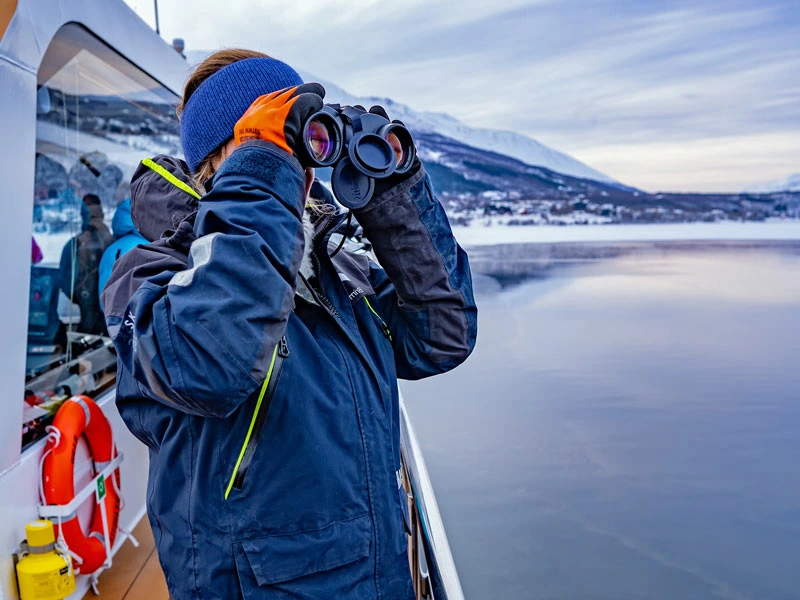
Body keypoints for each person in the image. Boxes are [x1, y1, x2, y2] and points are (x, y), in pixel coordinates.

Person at [101, 49, 477, 600]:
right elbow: (210, 361)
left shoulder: (338, 270)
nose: (298, 165)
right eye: (273, 140)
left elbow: (443, 335)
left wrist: (392, 191)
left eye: (302, 144)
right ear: (217, 161)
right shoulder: (151, 275)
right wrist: (262, 166)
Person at [58, 193, 112, 335]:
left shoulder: (75, 242)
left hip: (84, 300)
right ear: (100, 212)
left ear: (82, 213)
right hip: (108, 305)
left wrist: (75, 293)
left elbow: (63, 276)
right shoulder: (112, 240)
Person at [97, 198, 147, 311]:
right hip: (144, 319)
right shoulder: (152, 247)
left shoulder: (110, 251)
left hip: (114, 319)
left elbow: (104, 296)